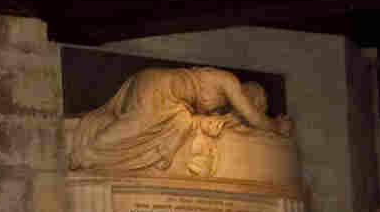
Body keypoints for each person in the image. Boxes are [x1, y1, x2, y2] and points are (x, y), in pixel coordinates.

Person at [69, 66, 293, 174]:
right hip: (161, 89)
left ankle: (94, 146)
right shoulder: (230, 82)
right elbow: (252, 117)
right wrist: (276, 127)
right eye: (249, 101)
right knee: (132, 128)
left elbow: (210, 119)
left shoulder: (222, 104)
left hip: (164, 92)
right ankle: (87, 153)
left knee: (174, 122)